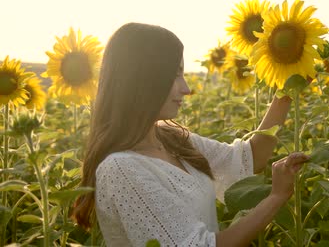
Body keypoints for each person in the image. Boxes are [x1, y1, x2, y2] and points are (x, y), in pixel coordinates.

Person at [72, 22, 309, 246]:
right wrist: (277, 197)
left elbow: (248, 158)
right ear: (144, 79)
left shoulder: (170, 137)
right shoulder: (121, 169)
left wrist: (287, 87)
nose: (186, 89)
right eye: (175, 75)